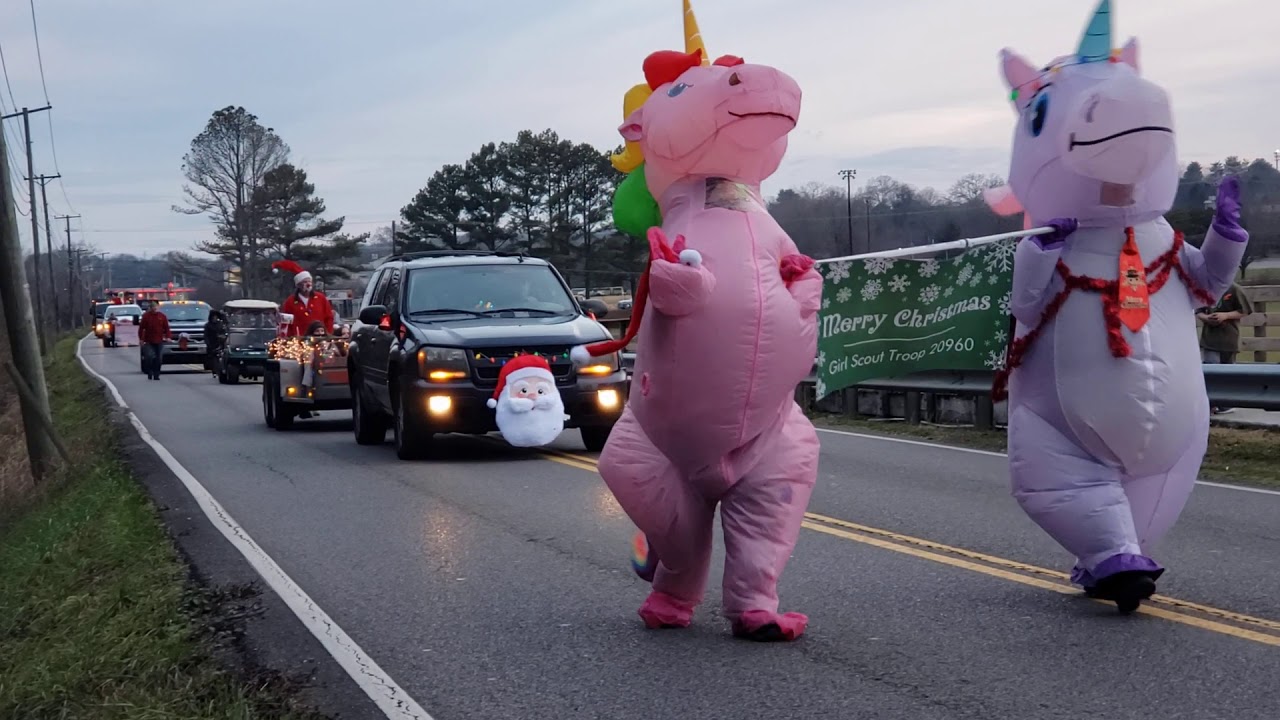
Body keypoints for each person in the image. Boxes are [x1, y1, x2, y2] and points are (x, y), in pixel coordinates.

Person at [1197, 282, 1253, 414]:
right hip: (1210, 339)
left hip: (1229, 339)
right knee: (1211, 368)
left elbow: (1245, 310)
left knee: (1227, 371)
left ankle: (1225, 404)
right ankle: (1210, 404)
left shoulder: (1235, 289)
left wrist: (1226, 315)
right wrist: (1206, 318)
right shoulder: (1206, 288)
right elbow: (1198, 311)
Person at [273, 259, 335, 336]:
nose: (308, 284)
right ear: (298, 285)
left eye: (309, 281)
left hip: (319, 338)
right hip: (299, 340)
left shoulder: (321, 298)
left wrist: (328, 335)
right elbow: (285, 322)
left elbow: (329, 318)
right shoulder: (290, 301)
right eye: (305, 282)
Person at [138, 300, 171, 380]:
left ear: (158, 307)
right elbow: (141, 328)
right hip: (148, 341)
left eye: (155, 307)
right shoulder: (146, 316)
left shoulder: (162, 316)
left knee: (159, 358)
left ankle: (157, 374)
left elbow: (166, 328)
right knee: (149, 357)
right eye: (153, 307)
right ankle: (150, 371)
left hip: (159, 340)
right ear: (150, 308)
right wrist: (141, 339)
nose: (154, 308)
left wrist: (168, 336)